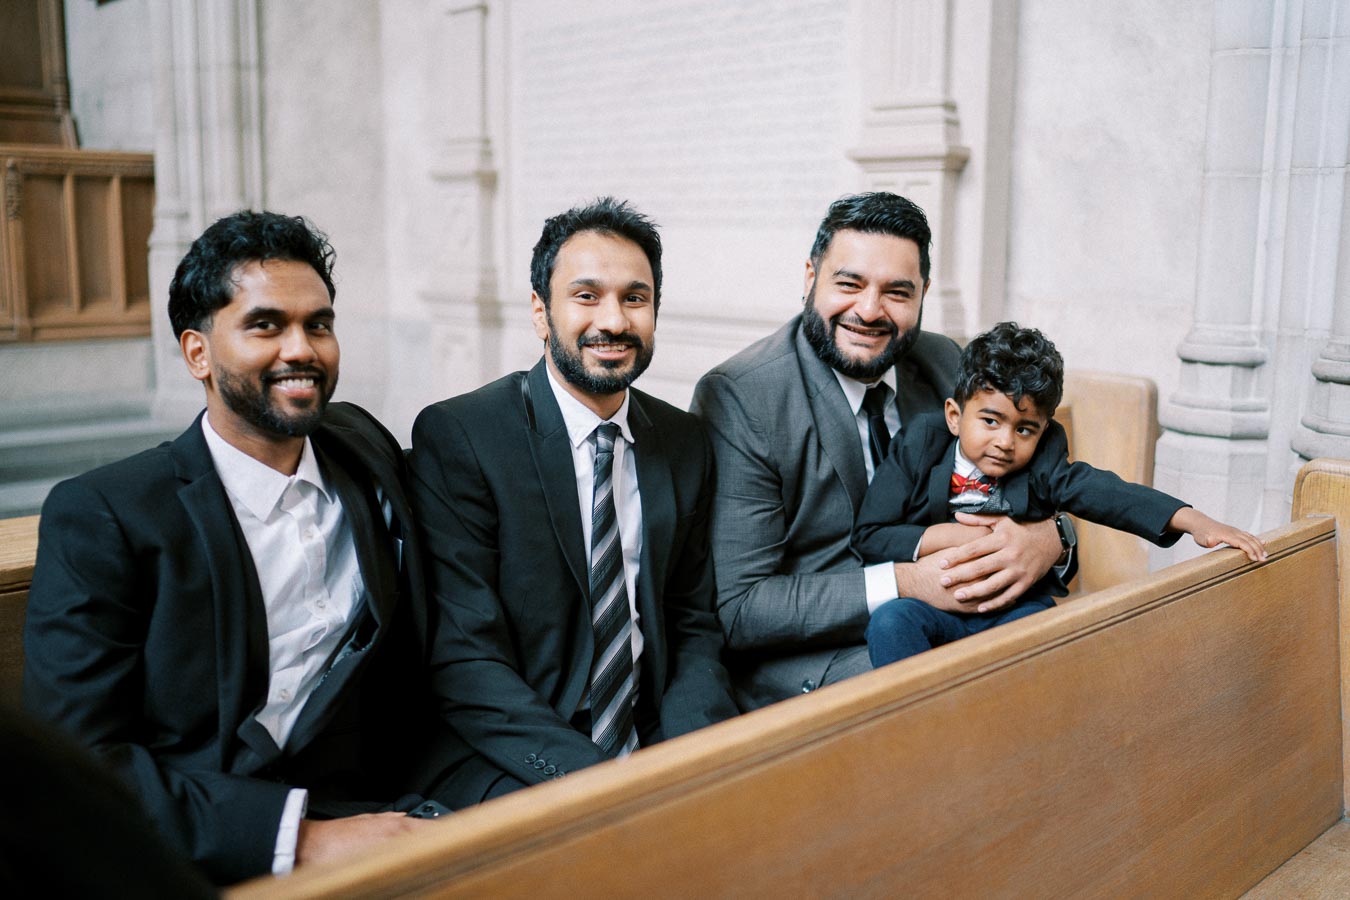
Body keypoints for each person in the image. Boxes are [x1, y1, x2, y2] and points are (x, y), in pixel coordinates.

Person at [24, 211, 462, 886]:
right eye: (266, 325)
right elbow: (82, 762)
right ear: (198, 352)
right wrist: (301, 840)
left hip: (385, 798)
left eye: (318, 324)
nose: (303, 349)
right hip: (204, 836)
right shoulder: (106, 515)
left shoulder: (362, 448)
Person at [408, 197, 738, 804]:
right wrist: (603, 784)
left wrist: (698, 757)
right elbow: (465, 658)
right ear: (541, 311)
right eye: (586, 296)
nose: (613, 321)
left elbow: (691, 620)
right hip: (515, 747)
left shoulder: (684, 440)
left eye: (635, 298)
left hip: (652, 727)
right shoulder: (464, 437)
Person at [691, 192, 1069, 710]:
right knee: (978, 695)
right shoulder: (741, 396)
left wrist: (1051, 539)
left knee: (1078, 654)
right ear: (810, 277)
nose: (869, 311)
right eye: (849, 283)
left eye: (897, 292)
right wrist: (908, 582)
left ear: (923, 294)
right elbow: (739, 607)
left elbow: (1034, 483)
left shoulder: (942, 361)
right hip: (819, 659)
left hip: (953, 617)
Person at [854, 322, 1267, 664]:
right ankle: (916, 726)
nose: (1005, 441)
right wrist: (954, 538)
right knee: (891, 622)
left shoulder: (1043, 458)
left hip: (1012, 609)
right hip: (935, 605)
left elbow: (1103, 492)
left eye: (1024, 429)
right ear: (955, 416)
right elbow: (870, 534)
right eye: (991, 421)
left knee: (1050, 639)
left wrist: (1194, 521)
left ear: (1043, 430)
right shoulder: (921, 441)